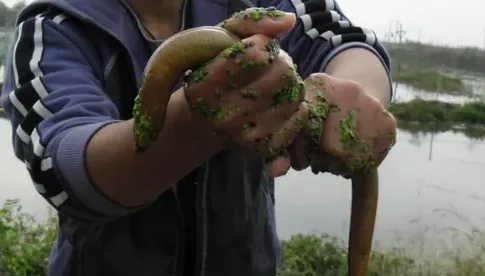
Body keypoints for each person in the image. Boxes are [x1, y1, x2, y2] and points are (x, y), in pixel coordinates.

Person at [0, 0, 396, 275]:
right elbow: (61, 165)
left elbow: (340, 39)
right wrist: (189, 129)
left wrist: (352, 97)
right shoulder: (50, 29)